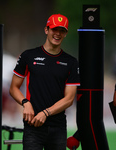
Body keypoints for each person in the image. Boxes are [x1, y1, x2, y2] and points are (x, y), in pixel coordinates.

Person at [9, 14, 80, 150]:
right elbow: (13, 88)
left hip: (58, 127)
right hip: (33, 126)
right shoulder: (28, 56)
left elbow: (69, 99)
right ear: (46, 30)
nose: (58, 34)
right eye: (54, 29)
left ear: (65, 33)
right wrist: (26, 103)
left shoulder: (71, 62)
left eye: (62, 31)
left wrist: (45, 113)